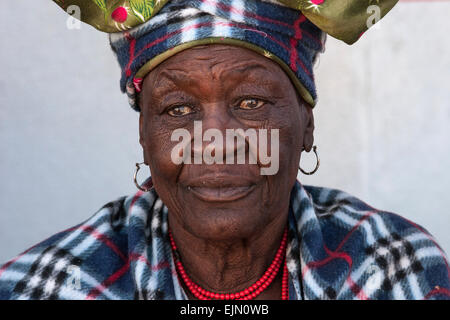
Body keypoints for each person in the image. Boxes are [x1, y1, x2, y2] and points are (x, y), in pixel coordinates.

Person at [0, 0, 448, 300]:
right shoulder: (47, 286)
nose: (214, 142)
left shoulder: (397, 270)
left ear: (306, 125)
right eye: (177, 109)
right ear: (144, 134)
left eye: (251, 103)